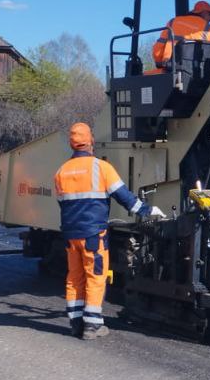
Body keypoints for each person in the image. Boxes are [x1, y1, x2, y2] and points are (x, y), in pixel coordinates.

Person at [53, 122, 164, 340]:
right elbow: (125, 198)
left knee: (74, 277)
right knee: (95, 276)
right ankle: (92, 326)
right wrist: (148, 210)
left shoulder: (61, 171)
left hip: (70, 234)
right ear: (91, 141)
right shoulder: (100, 168)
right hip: (93, 234)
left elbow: (62, 204)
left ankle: (76, 324)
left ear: (72, 144)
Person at [150, 0, 210, 71]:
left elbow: (158, 48)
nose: (209, 21)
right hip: (197, 74)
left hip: (170, 69)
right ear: (205, 13)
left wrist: (160, 63)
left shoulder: (172, 22)